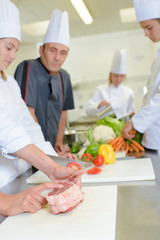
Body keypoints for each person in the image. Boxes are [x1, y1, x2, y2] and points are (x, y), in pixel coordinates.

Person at [0, 0, 84, 217]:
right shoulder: (27, 70)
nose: (12, 56)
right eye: (8, 47)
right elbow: (6, 129)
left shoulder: (8, 82)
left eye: (15, 49)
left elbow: (29, 126)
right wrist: (50, 167)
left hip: (18, 178)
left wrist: (54, 165)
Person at [14, 9, 74, 155]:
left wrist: (58, 144)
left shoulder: (64, 77)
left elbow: (63, 112)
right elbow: (28, 112)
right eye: (52, 50)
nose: (57, 58)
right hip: (30, 150)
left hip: (50, 151)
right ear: (41, 50)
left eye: (62, 52)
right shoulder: (28, 68)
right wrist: (46, 151)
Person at [122, 0, 160, 153]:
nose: (146, 34)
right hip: (152, 139)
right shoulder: (158, 56)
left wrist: (134, 122)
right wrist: (138, 114)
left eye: (149, 27)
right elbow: (151, 95)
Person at [86, 49, 135, 119]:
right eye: (116, 76)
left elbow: (131, 113)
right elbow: (88, 111)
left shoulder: (129, 92)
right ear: (110, 75)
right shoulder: (101, 90)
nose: (119, 79)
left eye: (122, 76)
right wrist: (99, 105)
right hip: (105, 127)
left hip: (123, 127)